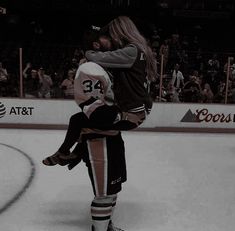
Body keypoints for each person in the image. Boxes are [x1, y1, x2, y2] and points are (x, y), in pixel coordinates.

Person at [43, 15, 157, 162]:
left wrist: (88, 52)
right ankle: (68, 152)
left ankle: (73, 153)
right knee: (83, 120)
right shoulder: (138, 51)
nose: (111, 38)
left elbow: (99, 58)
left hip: (133, 114)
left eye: (111, 35)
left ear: (119, 32)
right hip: (136, 110)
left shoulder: (131, 51)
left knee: (86, 119)